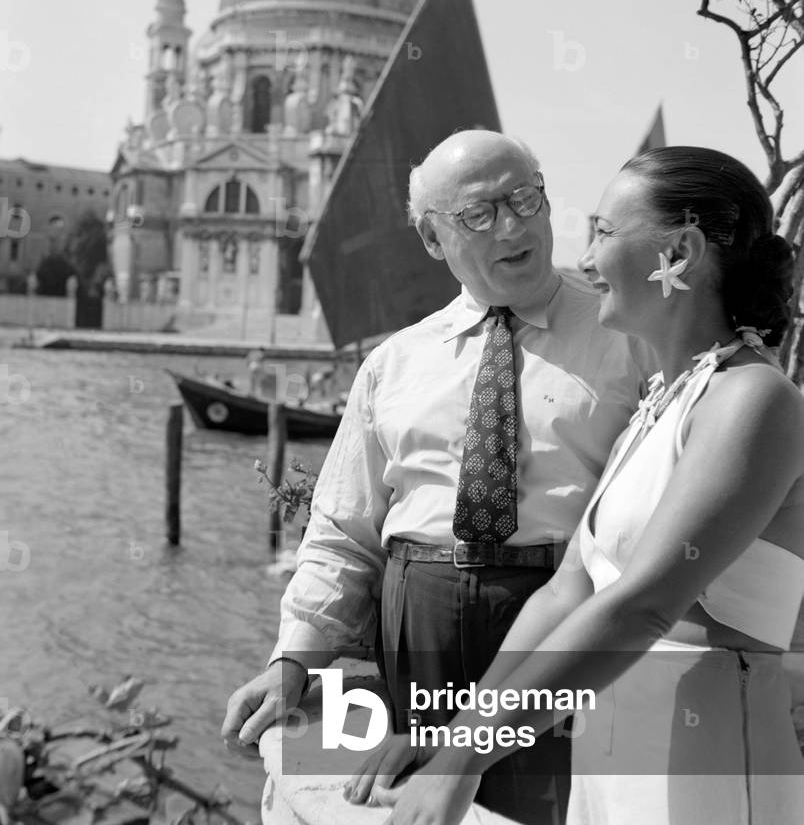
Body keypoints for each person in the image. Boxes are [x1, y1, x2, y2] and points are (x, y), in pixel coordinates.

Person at [354, 146, 804, 825]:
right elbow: (569, 590)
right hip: (609, 770)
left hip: (708, 781)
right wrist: (459, 737)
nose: (585, 259)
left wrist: (465, 760)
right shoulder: (660, 402)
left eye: (603, 231)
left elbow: (643, 604)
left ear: (678, 252)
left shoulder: (754, 399)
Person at [222, 129, 653, 823]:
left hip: (564, 635)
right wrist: (293, 662)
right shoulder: (393, 368)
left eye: (526, 199)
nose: (514, 226)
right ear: (432, 238)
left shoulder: (633, 340)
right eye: (480, 215)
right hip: (415, 636)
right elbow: (342, 536)